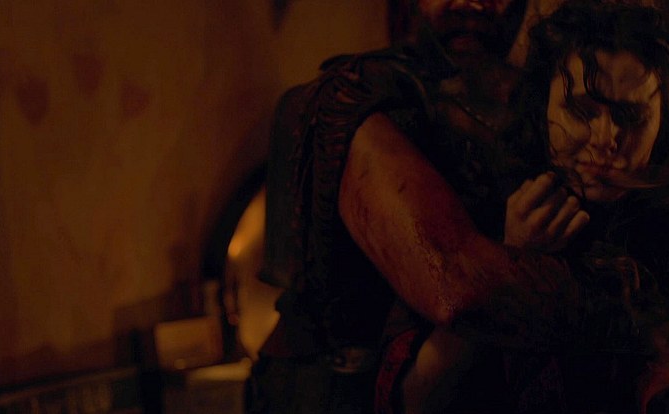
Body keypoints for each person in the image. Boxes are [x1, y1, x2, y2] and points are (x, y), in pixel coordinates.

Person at [379, 1, 669, 413]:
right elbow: (412, 399)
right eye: (581, 110)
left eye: (631, 117)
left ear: (664, 123)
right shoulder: (476, 196)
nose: (605, 138)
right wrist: (510, 261)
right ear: (543, 106)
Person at [245, 1, 582, 413]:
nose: (471, 3)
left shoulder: (537, 96)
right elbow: (454, 291)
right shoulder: (363, 96)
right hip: (343, 391)